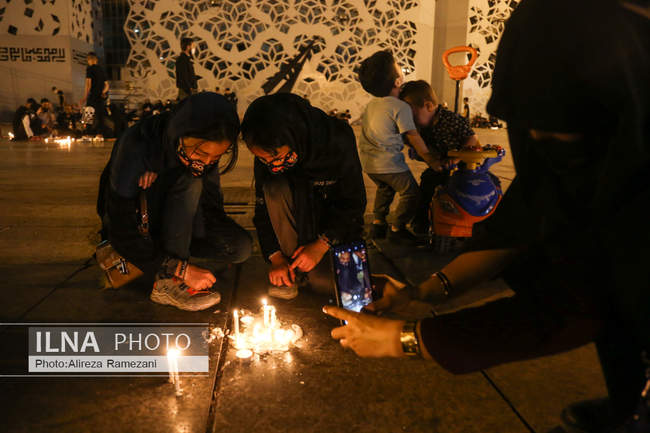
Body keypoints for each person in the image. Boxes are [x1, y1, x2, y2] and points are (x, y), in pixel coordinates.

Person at [323, 0, 649, 432]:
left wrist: (405, 339)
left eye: (562, 118)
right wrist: (422, 292)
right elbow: (519, 226)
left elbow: (574, 305)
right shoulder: (571, 152)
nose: (539, 136)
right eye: (526, 119)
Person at [97, 92, 252, 311]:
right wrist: (180, 269)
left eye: (216, 157)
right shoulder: (138, 145)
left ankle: (172, 255)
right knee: (191, 180)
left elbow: (211, 208)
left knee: (238, 248)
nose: (206, 162)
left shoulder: (204, 150)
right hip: (139, 228)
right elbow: (120, 227)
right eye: (202, 153)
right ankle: (166, 282)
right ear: (182, 134)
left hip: (177, 224)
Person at [241, 93, 366, 300]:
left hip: (336, 233)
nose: (273, 166)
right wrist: (276, 258)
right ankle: (294, 269)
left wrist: (321, 245)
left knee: (352, 292)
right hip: (295, 236)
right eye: (263, 159)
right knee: (274, 187)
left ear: (295, 136)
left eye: (277, 158)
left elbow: (353, 202)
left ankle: (312, 271)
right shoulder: (267, 152)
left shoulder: (336, 139)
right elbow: (263, 210)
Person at [356, 50, 443, 244]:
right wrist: (430, 158)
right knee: (411, 193)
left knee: (385, 189)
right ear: (397, 81)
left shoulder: (371, 105)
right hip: (390, 164)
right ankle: (398, 227)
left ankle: (378, 223)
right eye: (398, 66)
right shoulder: (400, 107)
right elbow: (413, 136)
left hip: (369, 165)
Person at [399, 81, 476, 234]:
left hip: (463, 166)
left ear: (428, 106)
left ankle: (465, 221)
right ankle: (421, 222)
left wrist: (457, 158)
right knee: (427, 183)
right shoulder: (421, 127)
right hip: (440, 166)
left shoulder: (451, 119)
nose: (410, 121)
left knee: (464, 191)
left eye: (412, 116)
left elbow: (472, 138)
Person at [80, 52, 109, 136]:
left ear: (89, 60)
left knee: (88, 115)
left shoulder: (90, 69)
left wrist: (85, 97)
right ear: (96, 60)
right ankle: (100, 134)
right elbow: (107, 85)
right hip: (100, 96)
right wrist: (102, 92)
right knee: (100, 116)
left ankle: (87, 133)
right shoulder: (101, 70)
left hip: (92, 95)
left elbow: (88, 84)